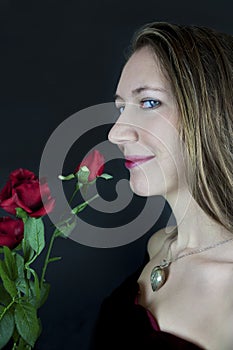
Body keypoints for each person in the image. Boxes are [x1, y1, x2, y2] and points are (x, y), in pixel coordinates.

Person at [91, 22, 233, 349]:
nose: (116, 133)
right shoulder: (160, 246)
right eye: (121, 108)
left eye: (150, 103)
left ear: (210, 112)